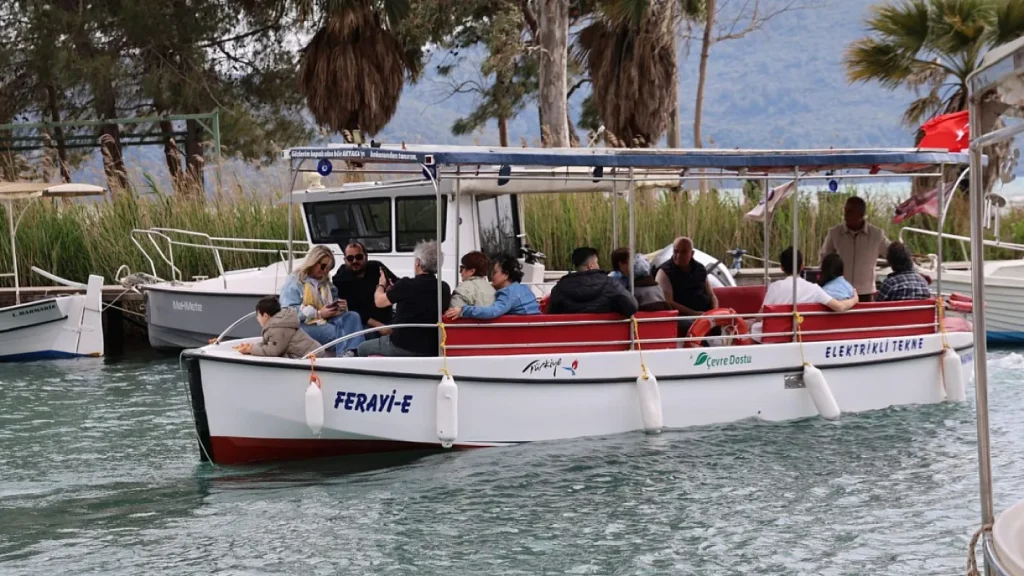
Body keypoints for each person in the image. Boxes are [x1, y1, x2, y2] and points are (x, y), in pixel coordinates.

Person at [357, 240, 452, 357]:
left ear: (418, 262)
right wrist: (394, 290)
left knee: (362, 348)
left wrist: (381, 285)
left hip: (403, 345)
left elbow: (379, 302)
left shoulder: (406, 284)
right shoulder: (444, 287)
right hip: (432, 347)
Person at [750, 247, 859, 342]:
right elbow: (839, 307)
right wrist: (855, 299)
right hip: (801, 338)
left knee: (752, 328)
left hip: (772, 338)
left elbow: (761, 317)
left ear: (782, 267)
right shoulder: (814, 289)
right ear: (802, 266)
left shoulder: (774, 287)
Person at [280, 245, 365, 355]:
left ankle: (353, 353)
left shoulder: (326, 282)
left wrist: (338, 306)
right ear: (314, 262)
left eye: (329, 268)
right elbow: (287, 312)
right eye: (323, 266)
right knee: (338, 333)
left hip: (326, 319)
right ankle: (347, 357)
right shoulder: (295, 280)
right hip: (304, 324)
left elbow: (333, 300)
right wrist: (318, 313)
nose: (325, 271)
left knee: (353, 316)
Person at [820, 196, 889, 302]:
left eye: (851, 211)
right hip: (839, 292)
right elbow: (824, 258)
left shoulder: (876, 235)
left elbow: (892, 254)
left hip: (865, 292)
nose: (846, 214)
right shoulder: (834, 233)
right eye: (845, 210)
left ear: (861, 215)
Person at [332, 241, 399, 339]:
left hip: (388, 317)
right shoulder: (340, 279)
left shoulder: (377, 267)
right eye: (350, 258)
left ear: (366, 256)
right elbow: (353, 310)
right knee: (369, 337)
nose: (355, 261)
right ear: (345, 260)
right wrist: (380, 326)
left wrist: (392, 290)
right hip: (364, 324)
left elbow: (397, 283)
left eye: (359, 257)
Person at [547, 247, 638, 316]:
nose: (598, 265)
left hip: (571, 338)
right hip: (607, 335)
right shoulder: (610, 284)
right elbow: (632, 307)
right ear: (591, 265)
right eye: (597, 262)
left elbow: (551, 313)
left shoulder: (559, 288)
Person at [445, 255, 540, 320]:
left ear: (505, 275)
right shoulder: (523, 288)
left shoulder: (508, 293)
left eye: (494, 272)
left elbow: (492, 312)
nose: (491, 276)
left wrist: (463, 310)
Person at [655, 237, 719, 331]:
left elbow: (711, 294)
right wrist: (695, 314)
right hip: (683, 317)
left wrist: (715, 312)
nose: (679, 255)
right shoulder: (664, 272)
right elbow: (668, 302)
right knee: (690, 326)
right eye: (676, 251)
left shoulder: (700, 268)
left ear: (692, 254)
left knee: (724, 325)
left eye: (684, 252)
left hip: (705, 314)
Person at [237, 296, 319, 359]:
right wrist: (253, 347)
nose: (257, 318)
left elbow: (273, 351)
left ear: (265, 316)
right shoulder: (281, 322)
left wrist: (251, 349)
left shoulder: (277, 328)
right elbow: (272, 344)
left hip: (311, 356)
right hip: (311, 352)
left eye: (258, 315)